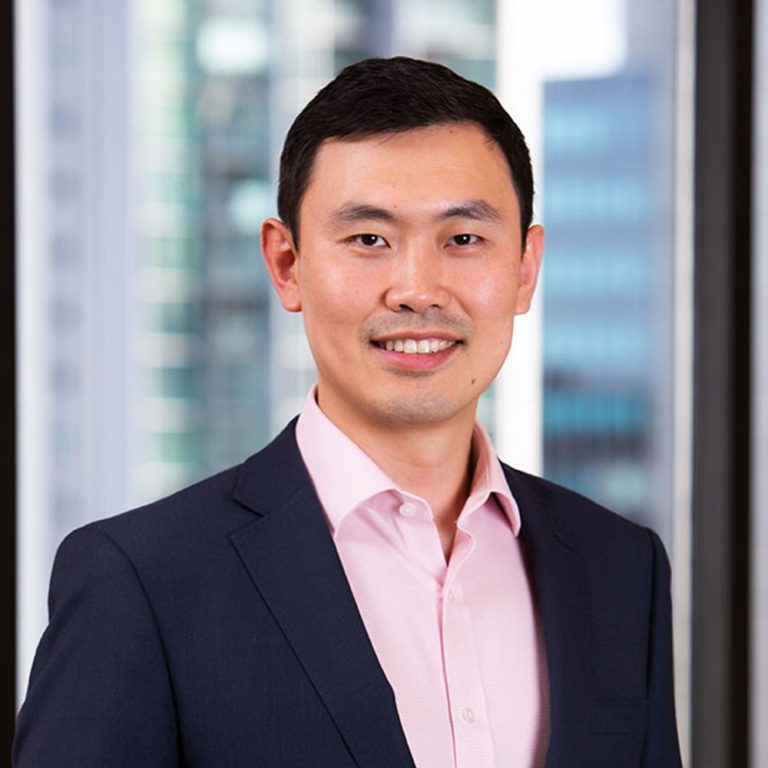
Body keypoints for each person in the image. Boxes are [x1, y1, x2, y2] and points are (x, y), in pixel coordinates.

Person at [13, 57, 682, 768]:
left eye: (463, 239)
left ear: (524, 267)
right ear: (287, 264)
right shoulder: (141, 580)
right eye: (369, 240)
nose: (417, 289)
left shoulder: (620, 568)